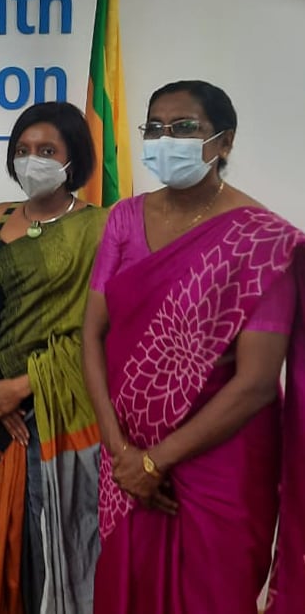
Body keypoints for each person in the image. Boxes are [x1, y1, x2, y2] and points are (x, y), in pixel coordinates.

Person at [82, 80, 305, 614]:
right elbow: (91, 334)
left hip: (220, 463)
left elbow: (255, 384)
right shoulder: (124, 219)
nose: (167, 139)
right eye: (155, 128)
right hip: (126, 451)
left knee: (213, 595)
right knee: (126, 587)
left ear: (223, 142)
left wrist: (155, 463)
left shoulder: (263, 241)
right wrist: (122, 453)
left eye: (185, 127)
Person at [0, 101, 108, 614]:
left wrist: (20, 388)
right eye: (22, 150)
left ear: (73, 159)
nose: (31, 160)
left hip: (61, 406)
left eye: (46, 151)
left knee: (56, 534)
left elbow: (96, 331)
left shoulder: (100, 227)